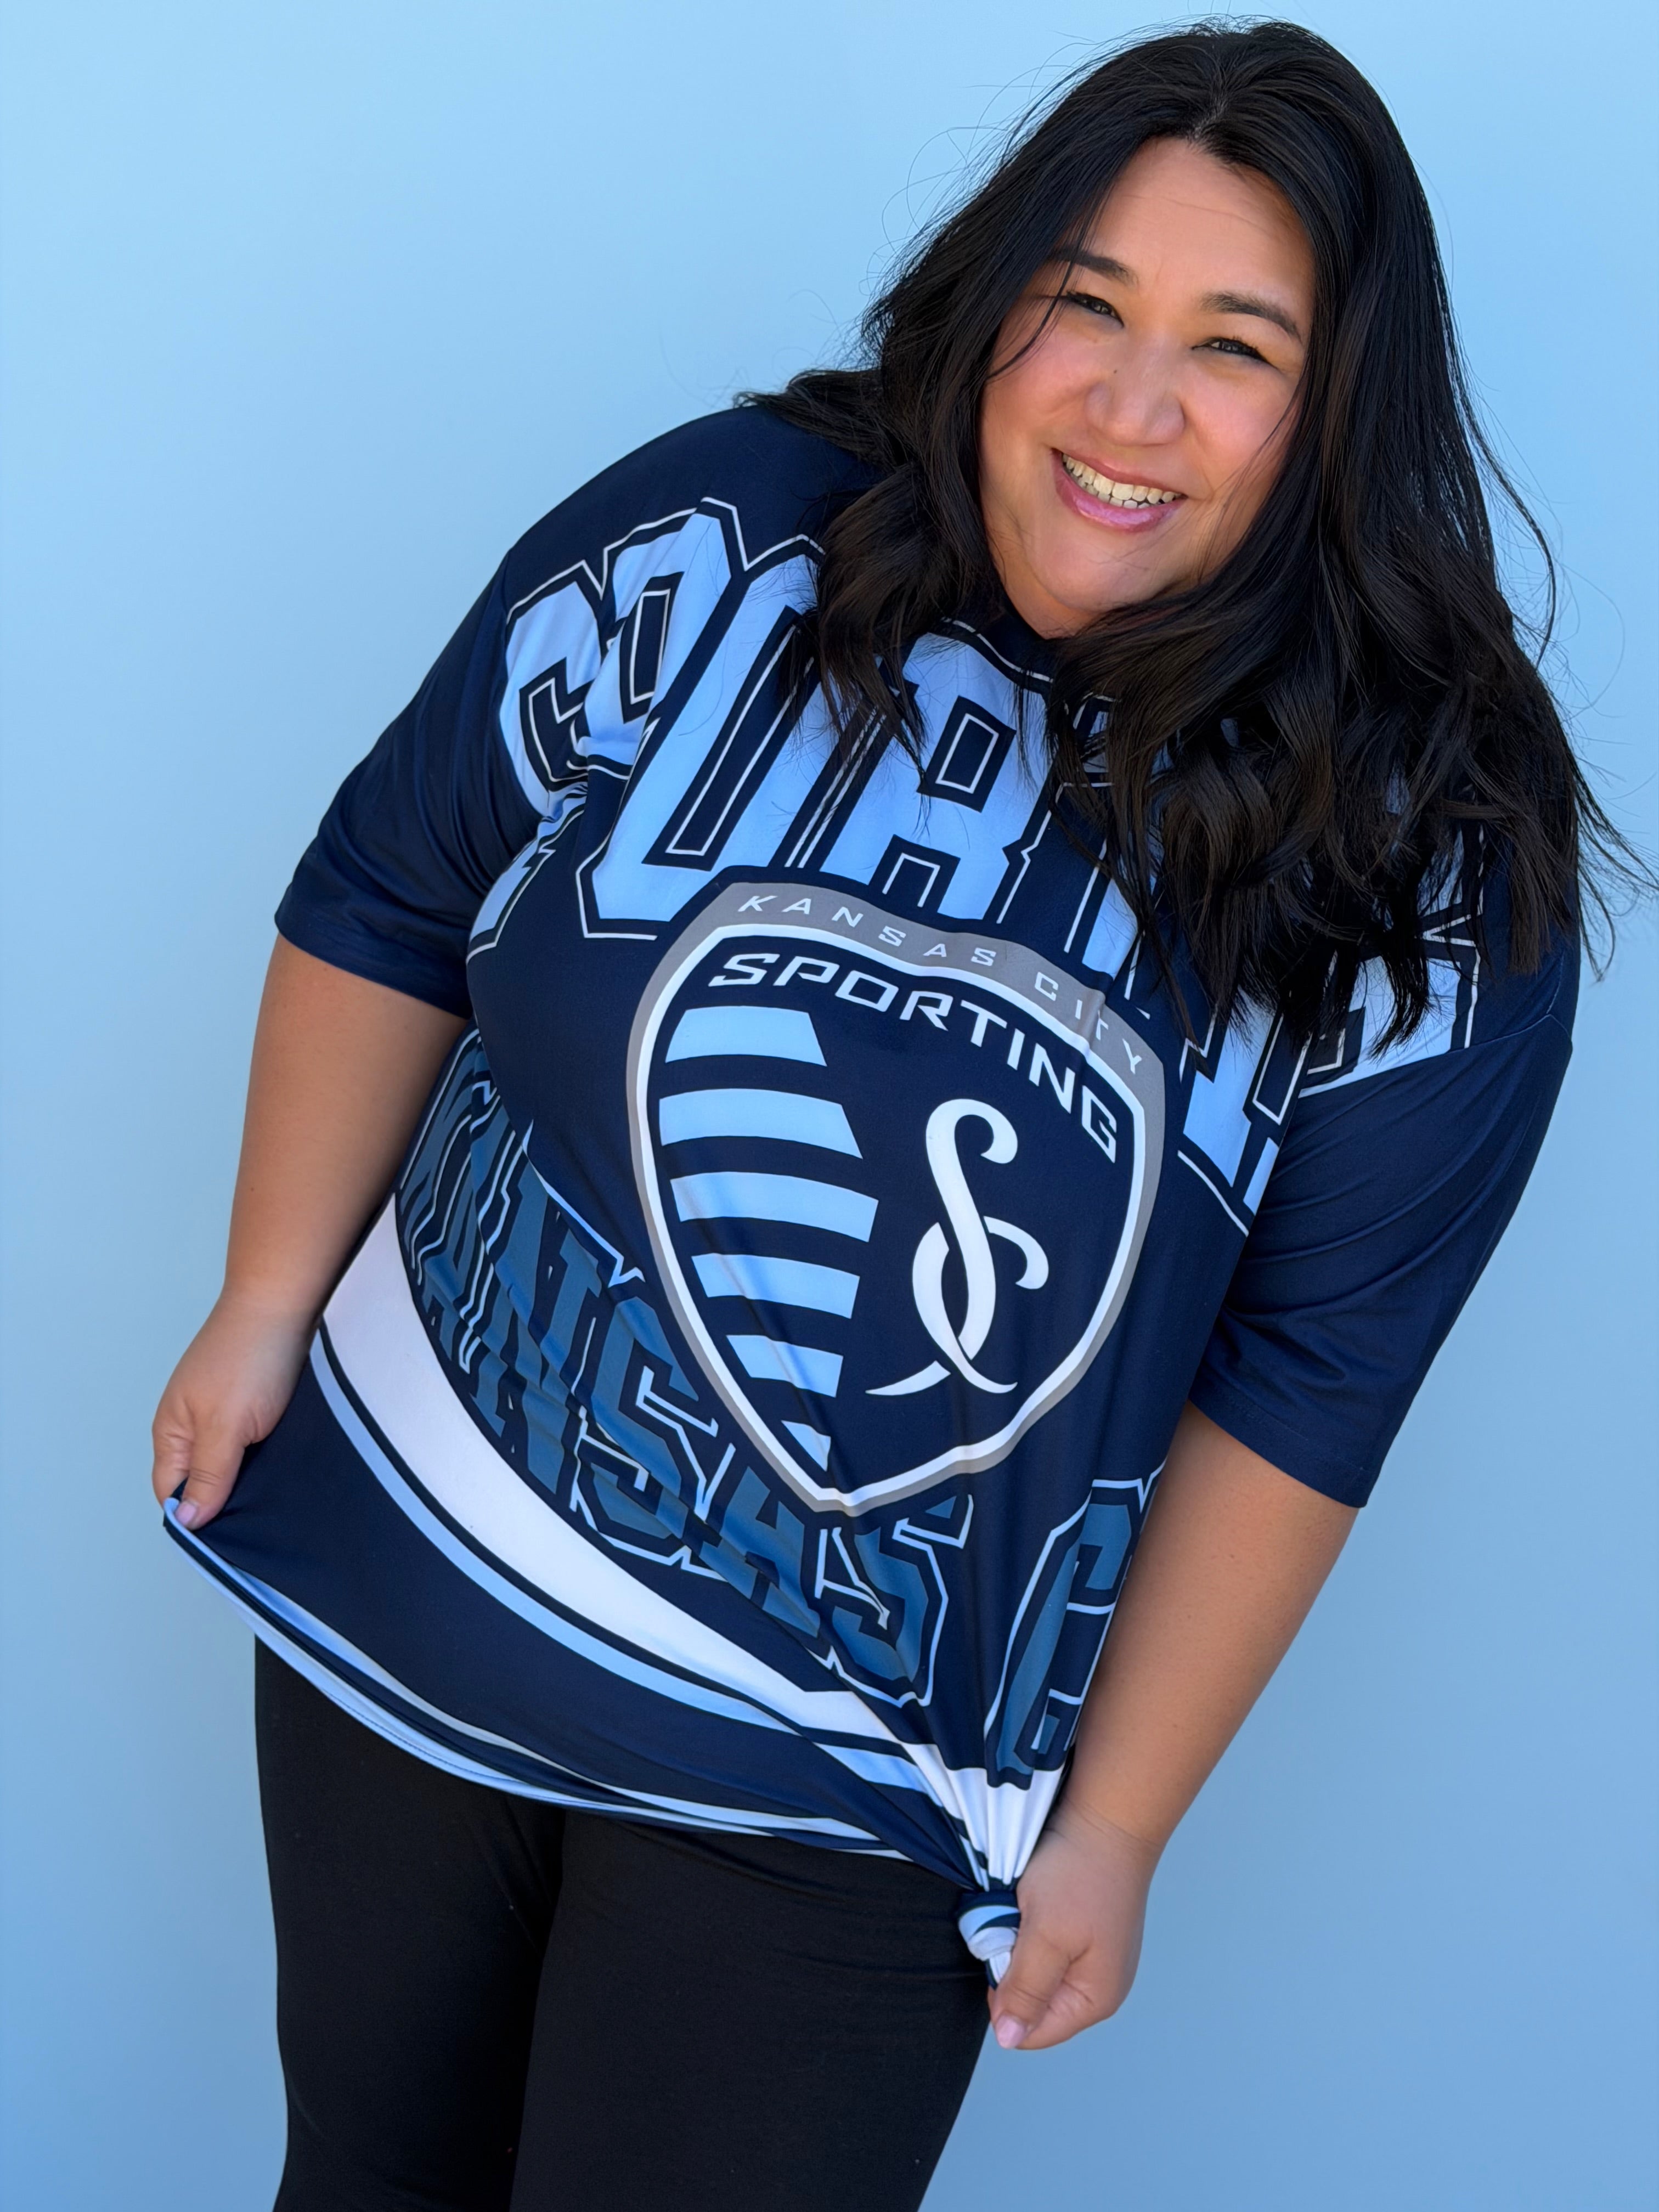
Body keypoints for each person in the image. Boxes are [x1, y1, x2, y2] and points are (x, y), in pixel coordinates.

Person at [151, 22, 1611, 2211]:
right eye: (1087, 305)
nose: (1131, 409)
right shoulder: (731, 529)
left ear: (1342, 415)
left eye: (1235, 350)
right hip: (421, 1574)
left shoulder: (1437, 859)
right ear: (995, 304)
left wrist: (1120, 1823)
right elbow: (396, 882)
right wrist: (264, 1300)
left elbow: (1314, 1377)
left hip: (858, 1773)